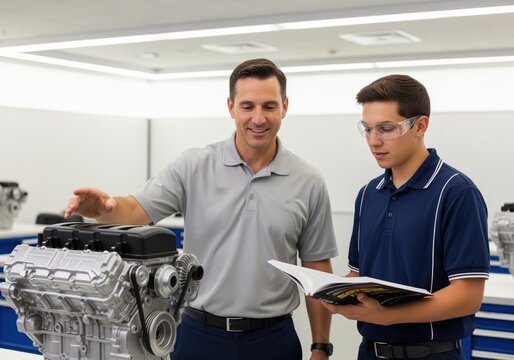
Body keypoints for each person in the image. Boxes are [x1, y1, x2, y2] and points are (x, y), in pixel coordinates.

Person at [65, 58, 338, 360]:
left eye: (269, 106)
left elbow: (316, 268)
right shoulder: (193, 166)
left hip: (273, 339)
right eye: (247, 106)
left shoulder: (308, 181)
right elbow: (135, 209)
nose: (258, 118)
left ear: (285, 107)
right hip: (199, 335)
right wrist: (104, 209)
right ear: (231, 107)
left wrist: (321, 346)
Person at [322, 74, 489, 359]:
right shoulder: (368, 194)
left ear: (420, 126)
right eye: (367, 129)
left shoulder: (456, 192)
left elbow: (468, 296)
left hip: (432, 354)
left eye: (386, 129)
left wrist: (388, 316)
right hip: (370, 352)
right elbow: (359, 273)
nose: (374, 141)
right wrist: (332, 292)